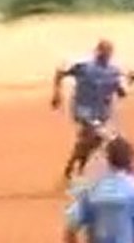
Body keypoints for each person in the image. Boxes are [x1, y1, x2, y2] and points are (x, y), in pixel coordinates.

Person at [51, 39, 127, 187]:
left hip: (102, 112)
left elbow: (121, 91)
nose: (104, 54)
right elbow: (61, 72)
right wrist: (57, 93)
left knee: (91, 141)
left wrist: (124, 85)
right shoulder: (84, 67)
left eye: (107, 52)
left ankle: (74, 167)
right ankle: (75, 169)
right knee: (95, 134)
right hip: (83, 109)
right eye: (102, 51)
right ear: (97, 51)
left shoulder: (113, 71)